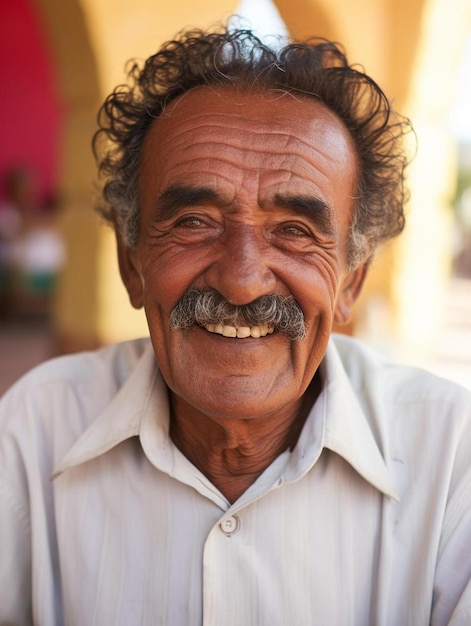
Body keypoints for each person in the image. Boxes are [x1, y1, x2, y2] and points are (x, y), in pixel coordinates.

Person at [0, 24, 470, 626]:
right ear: (131, 261)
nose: (242, 281)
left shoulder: (453, 457)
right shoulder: (32, 434)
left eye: (296, 231)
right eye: (195, 221)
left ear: (351, 281)